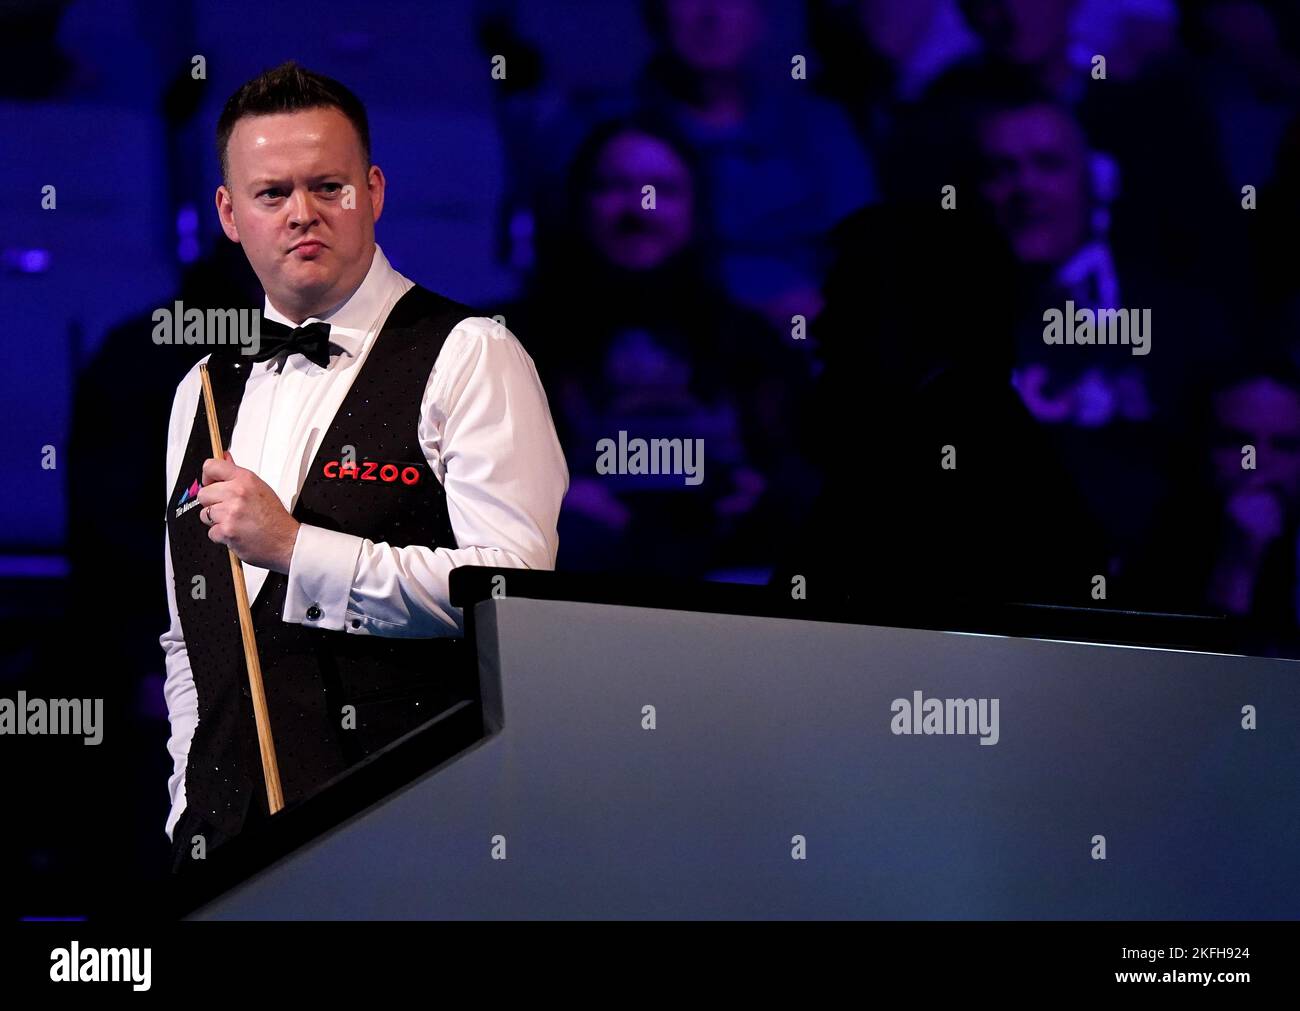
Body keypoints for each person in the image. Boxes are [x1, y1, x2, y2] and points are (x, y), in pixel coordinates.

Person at [161, 61, 568, 872]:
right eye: (273, 193)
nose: (303, 214)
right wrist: (187, 798)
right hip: (222, 851)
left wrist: (296, 549)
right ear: (229, 214)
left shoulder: (470, 354)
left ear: (374, 192)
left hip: (417, 838)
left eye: (329, 187)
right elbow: (187, 638)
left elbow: (517, 595)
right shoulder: (202, 387)